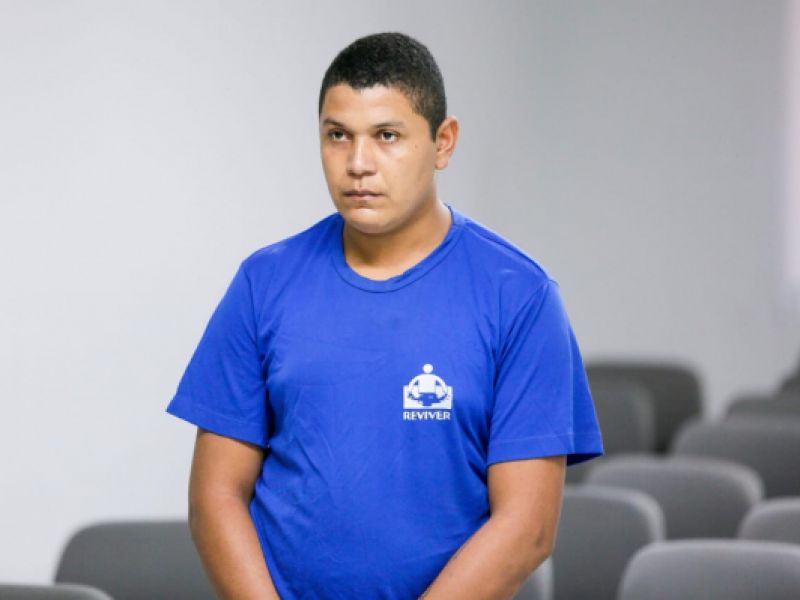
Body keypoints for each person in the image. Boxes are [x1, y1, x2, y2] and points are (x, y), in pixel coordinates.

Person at [166, 31, 604, 599]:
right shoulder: (263, 283)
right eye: (338, 136)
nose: (358, 164)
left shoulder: (520, 295)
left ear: (443, 142)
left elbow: (527, 528)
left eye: (387, 136)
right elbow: (216, 498)